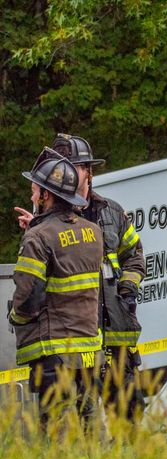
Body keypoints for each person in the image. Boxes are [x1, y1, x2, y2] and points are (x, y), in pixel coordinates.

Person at [16, 134, 146, 420]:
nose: (70, 173)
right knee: (84, 423)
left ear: (89, 171)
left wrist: (125, 291)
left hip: (114, 332)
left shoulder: (111, 213)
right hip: (79, 338)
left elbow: (135, 255)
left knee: (127, 416)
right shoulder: (49, 224)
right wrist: (36, 227)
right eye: (64, 167)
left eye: (75, 166)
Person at [9, 148, 104, 429]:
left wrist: (16, 317)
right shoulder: (93, 232)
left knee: (58, 431)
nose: (32, 197)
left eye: (35, 191)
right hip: (88, 350)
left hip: (55, 352)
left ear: (46, 196)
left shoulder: (37, 238)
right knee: (92, 427)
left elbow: (27, 298)